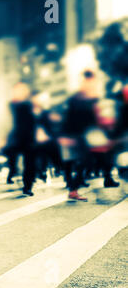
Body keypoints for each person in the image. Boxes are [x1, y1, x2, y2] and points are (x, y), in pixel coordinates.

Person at [59, 70, 102, 201]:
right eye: (87, 81)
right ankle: (72, 189)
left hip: (87, 135)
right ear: (83, 82)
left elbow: (93, 119)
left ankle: (73, 189)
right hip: (75, 135)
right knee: (81, 161)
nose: (90, 84)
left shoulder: (93, 99)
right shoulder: (74, 99)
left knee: (86, 162)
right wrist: (64, 136)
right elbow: (68, 118)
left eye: (92, 82)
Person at [4, 82, 37, 196]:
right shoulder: (10, 105)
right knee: (12, 160)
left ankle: (27, 186)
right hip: (14, 137)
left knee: (30, 163)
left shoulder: (29, 105)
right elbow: (6, 121)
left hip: (29, 138)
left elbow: (34, 121)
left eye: (23, 90)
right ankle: (12, 173)